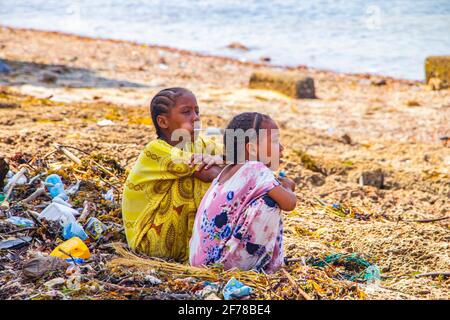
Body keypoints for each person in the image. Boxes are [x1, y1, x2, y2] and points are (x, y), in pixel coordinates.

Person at [122, 87, 222, 262]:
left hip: (183, 242)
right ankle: (199, 248)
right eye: (186, 112)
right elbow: (211, 173)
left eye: (197, 111)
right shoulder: (156, 150)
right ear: (163, 122)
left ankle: (198, 248)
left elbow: (237, 159)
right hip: (149, 241)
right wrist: (218, 164)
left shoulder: (198, 144)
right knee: (194, 177)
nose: (196, 118)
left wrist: (218, 159)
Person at [189, 112, 296, 273]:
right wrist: (289, 186)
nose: (281, 147)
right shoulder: (256, 168)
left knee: (268, 195)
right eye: (274, 141)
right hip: (220, 266)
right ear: (251, 148)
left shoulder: (225, 170)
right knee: (271, 203)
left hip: (200, 260)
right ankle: (267, 266)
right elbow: (289, 203)